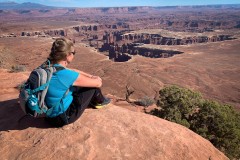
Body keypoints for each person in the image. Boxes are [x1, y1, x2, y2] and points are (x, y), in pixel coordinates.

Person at [44, 37, 110, 127]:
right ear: (67, 55)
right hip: (62, 117)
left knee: (78, 86)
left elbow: (72, 71)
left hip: (47, 113)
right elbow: (98, 83)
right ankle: (100, 102)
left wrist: (90, 76)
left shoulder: (48, 67)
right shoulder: (65, 75)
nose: (74, 55)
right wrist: (96, 79)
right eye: (73, 53)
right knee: (93, 88)